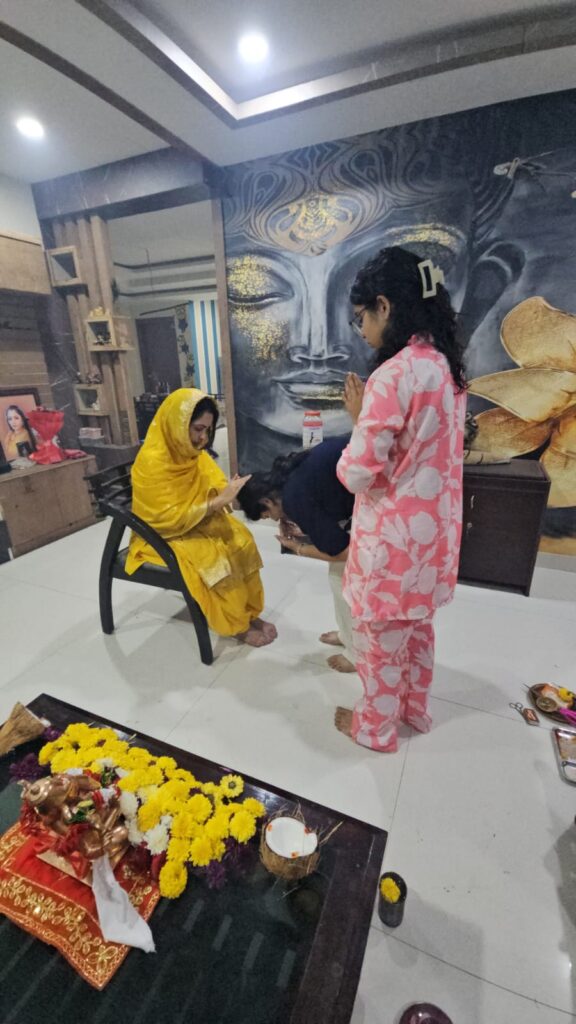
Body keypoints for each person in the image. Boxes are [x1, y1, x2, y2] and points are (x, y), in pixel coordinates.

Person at [334, 246, 467, 752]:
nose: (363, 330)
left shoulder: (393, 375)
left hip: (392, 546)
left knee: (379, 647)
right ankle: (414, 711)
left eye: (361, 318)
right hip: (433, 544)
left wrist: (354, 432)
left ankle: (375, 730)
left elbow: (358, 473)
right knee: (418, 634)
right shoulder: (448, 370)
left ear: (384, 306)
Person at [125, 388, 276, 648]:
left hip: (193, 523)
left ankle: (249, 613)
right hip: (162, 535)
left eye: (208, 430)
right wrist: (217, 502)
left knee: (241, 540)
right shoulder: (152, 461)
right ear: (178, 423)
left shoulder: (190, 452)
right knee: (215, 560)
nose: (203, 438)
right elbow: (164, 518)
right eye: (197, 429)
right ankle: (236, 625)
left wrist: (229, 490)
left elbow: (212, 481)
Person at [237, 436, 356, 672]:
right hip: (370, 481)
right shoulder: (289, 477)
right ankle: (348, 636)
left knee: (345, 585)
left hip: (385, 498)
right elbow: (326, 502)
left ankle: (357, 654)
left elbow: (345, 552)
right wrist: (306, 526)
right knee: (337, 578)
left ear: (267, 501)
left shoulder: (294, 499)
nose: (273, 520)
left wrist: (298, 549)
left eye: (266, 515)